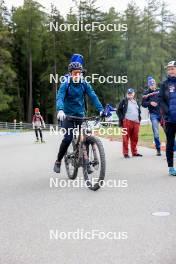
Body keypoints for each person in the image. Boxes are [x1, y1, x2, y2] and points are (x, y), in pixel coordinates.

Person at [54, 56, 104, 173]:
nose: (78, 75)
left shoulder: (84, 83)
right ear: (70, 74)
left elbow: (93, 95)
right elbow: (60, 97)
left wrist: (100, 109)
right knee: (68, 138)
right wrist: (60, 109)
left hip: (80, 114)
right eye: (75, 73)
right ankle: (58, 161)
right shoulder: (66, 83)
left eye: (80, 73)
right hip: (67, 115)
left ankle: (85, 163)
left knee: (85, 137)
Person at [159, 60, 176, 176]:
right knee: (170, 144)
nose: (170, 71)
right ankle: (171, 167)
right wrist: (167, 112)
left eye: (172, 68)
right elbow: (161, 100)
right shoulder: (164, 84)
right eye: (168, 69)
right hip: (170, 119)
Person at [117, 88, 142, 158]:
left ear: (134, 94)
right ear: (127, 94)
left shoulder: (136, 101)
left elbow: (138, 111)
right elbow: (118, 111)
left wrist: (139, 119)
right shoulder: (124, 101)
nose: (130, 95)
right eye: (128, 94)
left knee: (135, 138)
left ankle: (134, 152)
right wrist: (122, 119)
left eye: (131, 94)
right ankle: (125, 153)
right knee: (125, 138)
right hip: (127, 121)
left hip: (136, 122)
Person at [142, 76, 162, 156]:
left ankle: (172, 147)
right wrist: (150, 103)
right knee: (156, 132)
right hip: (153, 114)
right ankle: (158, 149)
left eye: (154, 85)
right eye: (151, 85)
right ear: (149, 85)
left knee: (168, 131)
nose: (153, 86)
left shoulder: (159, 91)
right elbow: (143, 104)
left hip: (162, 114)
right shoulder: (146, 93)